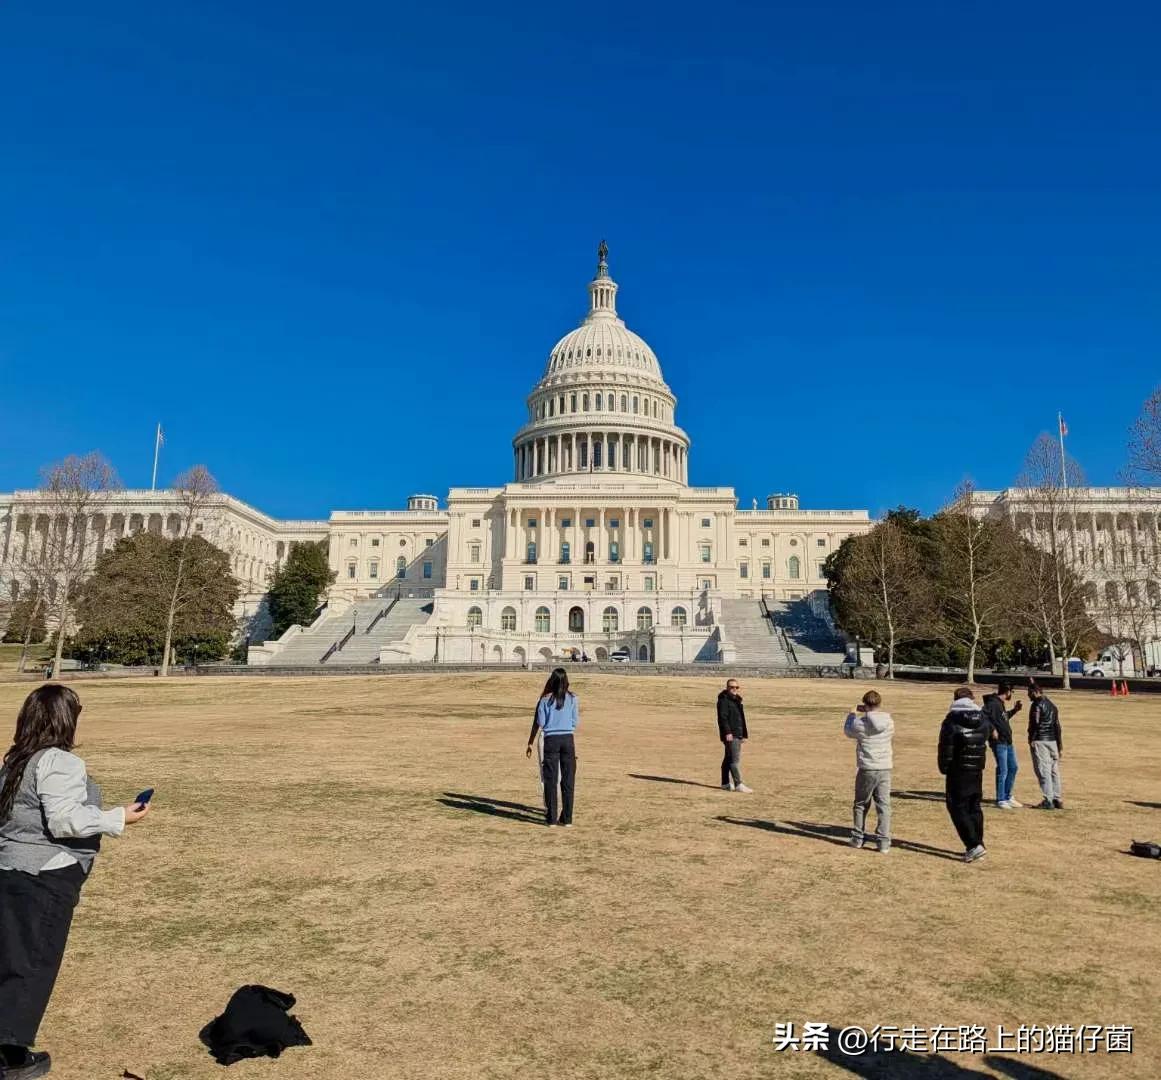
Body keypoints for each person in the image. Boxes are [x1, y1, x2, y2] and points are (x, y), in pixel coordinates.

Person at [0, 685, 152, 1079]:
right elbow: (65, 819)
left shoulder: (17, 760)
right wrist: (119, 817)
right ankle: (11, 1059)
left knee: (11, 960)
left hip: (11, 870)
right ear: (67, 718)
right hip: (45, 874)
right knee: (33, 965)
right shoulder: (59, 762)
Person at [938, 686, 992, 863]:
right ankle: (978, 842)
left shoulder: (952, 720)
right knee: (974, 806)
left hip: (958, 769)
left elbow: (946, 746)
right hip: (976, 767)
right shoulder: (983, 718)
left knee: (957, 806)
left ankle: (973, 844)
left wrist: (944, 766)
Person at [843, 689, 894, 853]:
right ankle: (883, 842)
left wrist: (851, 714)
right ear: (879, 704)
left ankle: (858, 838)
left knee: (860, 804)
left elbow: (848, 731)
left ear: (865, 705)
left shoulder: (860, 724)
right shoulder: (889, 722)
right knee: (884, 805)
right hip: (885, 767)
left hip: (867, 767)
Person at [525, 668, 578, 826]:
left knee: (551, 779)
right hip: (568, 739)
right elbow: (575, 721)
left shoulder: (545, 699)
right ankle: (567, 819)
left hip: (551, 739)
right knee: (568, 780)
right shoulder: (573, 698)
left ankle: (552, 818)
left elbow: (540, 722)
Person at [983, 680, 1024, 808]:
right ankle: (1001, 799)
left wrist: (1015, 710)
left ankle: (1007, 795)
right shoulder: (992, 703)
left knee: (1013, 767)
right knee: (1003, 769)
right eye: (1011, 691)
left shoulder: (1000, 704)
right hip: (999, 742)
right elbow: (982, 717)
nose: (1011, 694)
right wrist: (992, 729)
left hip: (1008, 741)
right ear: (1007, 691)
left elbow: (1003, 718)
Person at [1027, 682, 1064, 809]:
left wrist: (1032, 738)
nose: (1028, 696)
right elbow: (1057, 727)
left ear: (1034, 692)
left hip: (1040, 740)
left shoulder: (1037, 705)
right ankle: (1057, 798)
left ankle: (1048, 799)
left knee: (1044, 771)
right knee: (1054, 771)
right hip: (1052, 741)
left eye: (1029, 693)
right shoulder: (1053, 706)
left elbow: (1036, 723)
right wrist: (1059, 745)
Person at [716, 679, 752, 793]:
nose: (734, 689)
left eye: (736, 687)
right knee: (734, 760)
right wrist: (728, 733)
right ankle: (738, 784)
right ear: (727, 688)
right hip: (731, 734)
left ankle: (725, 783)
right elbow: (723, 718)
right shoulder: (723, 701)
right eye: (732, 687)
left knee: (728, 759)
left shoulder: (737, 701)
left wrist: (744, 734)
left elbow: (741, 719)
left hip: (738, 733)